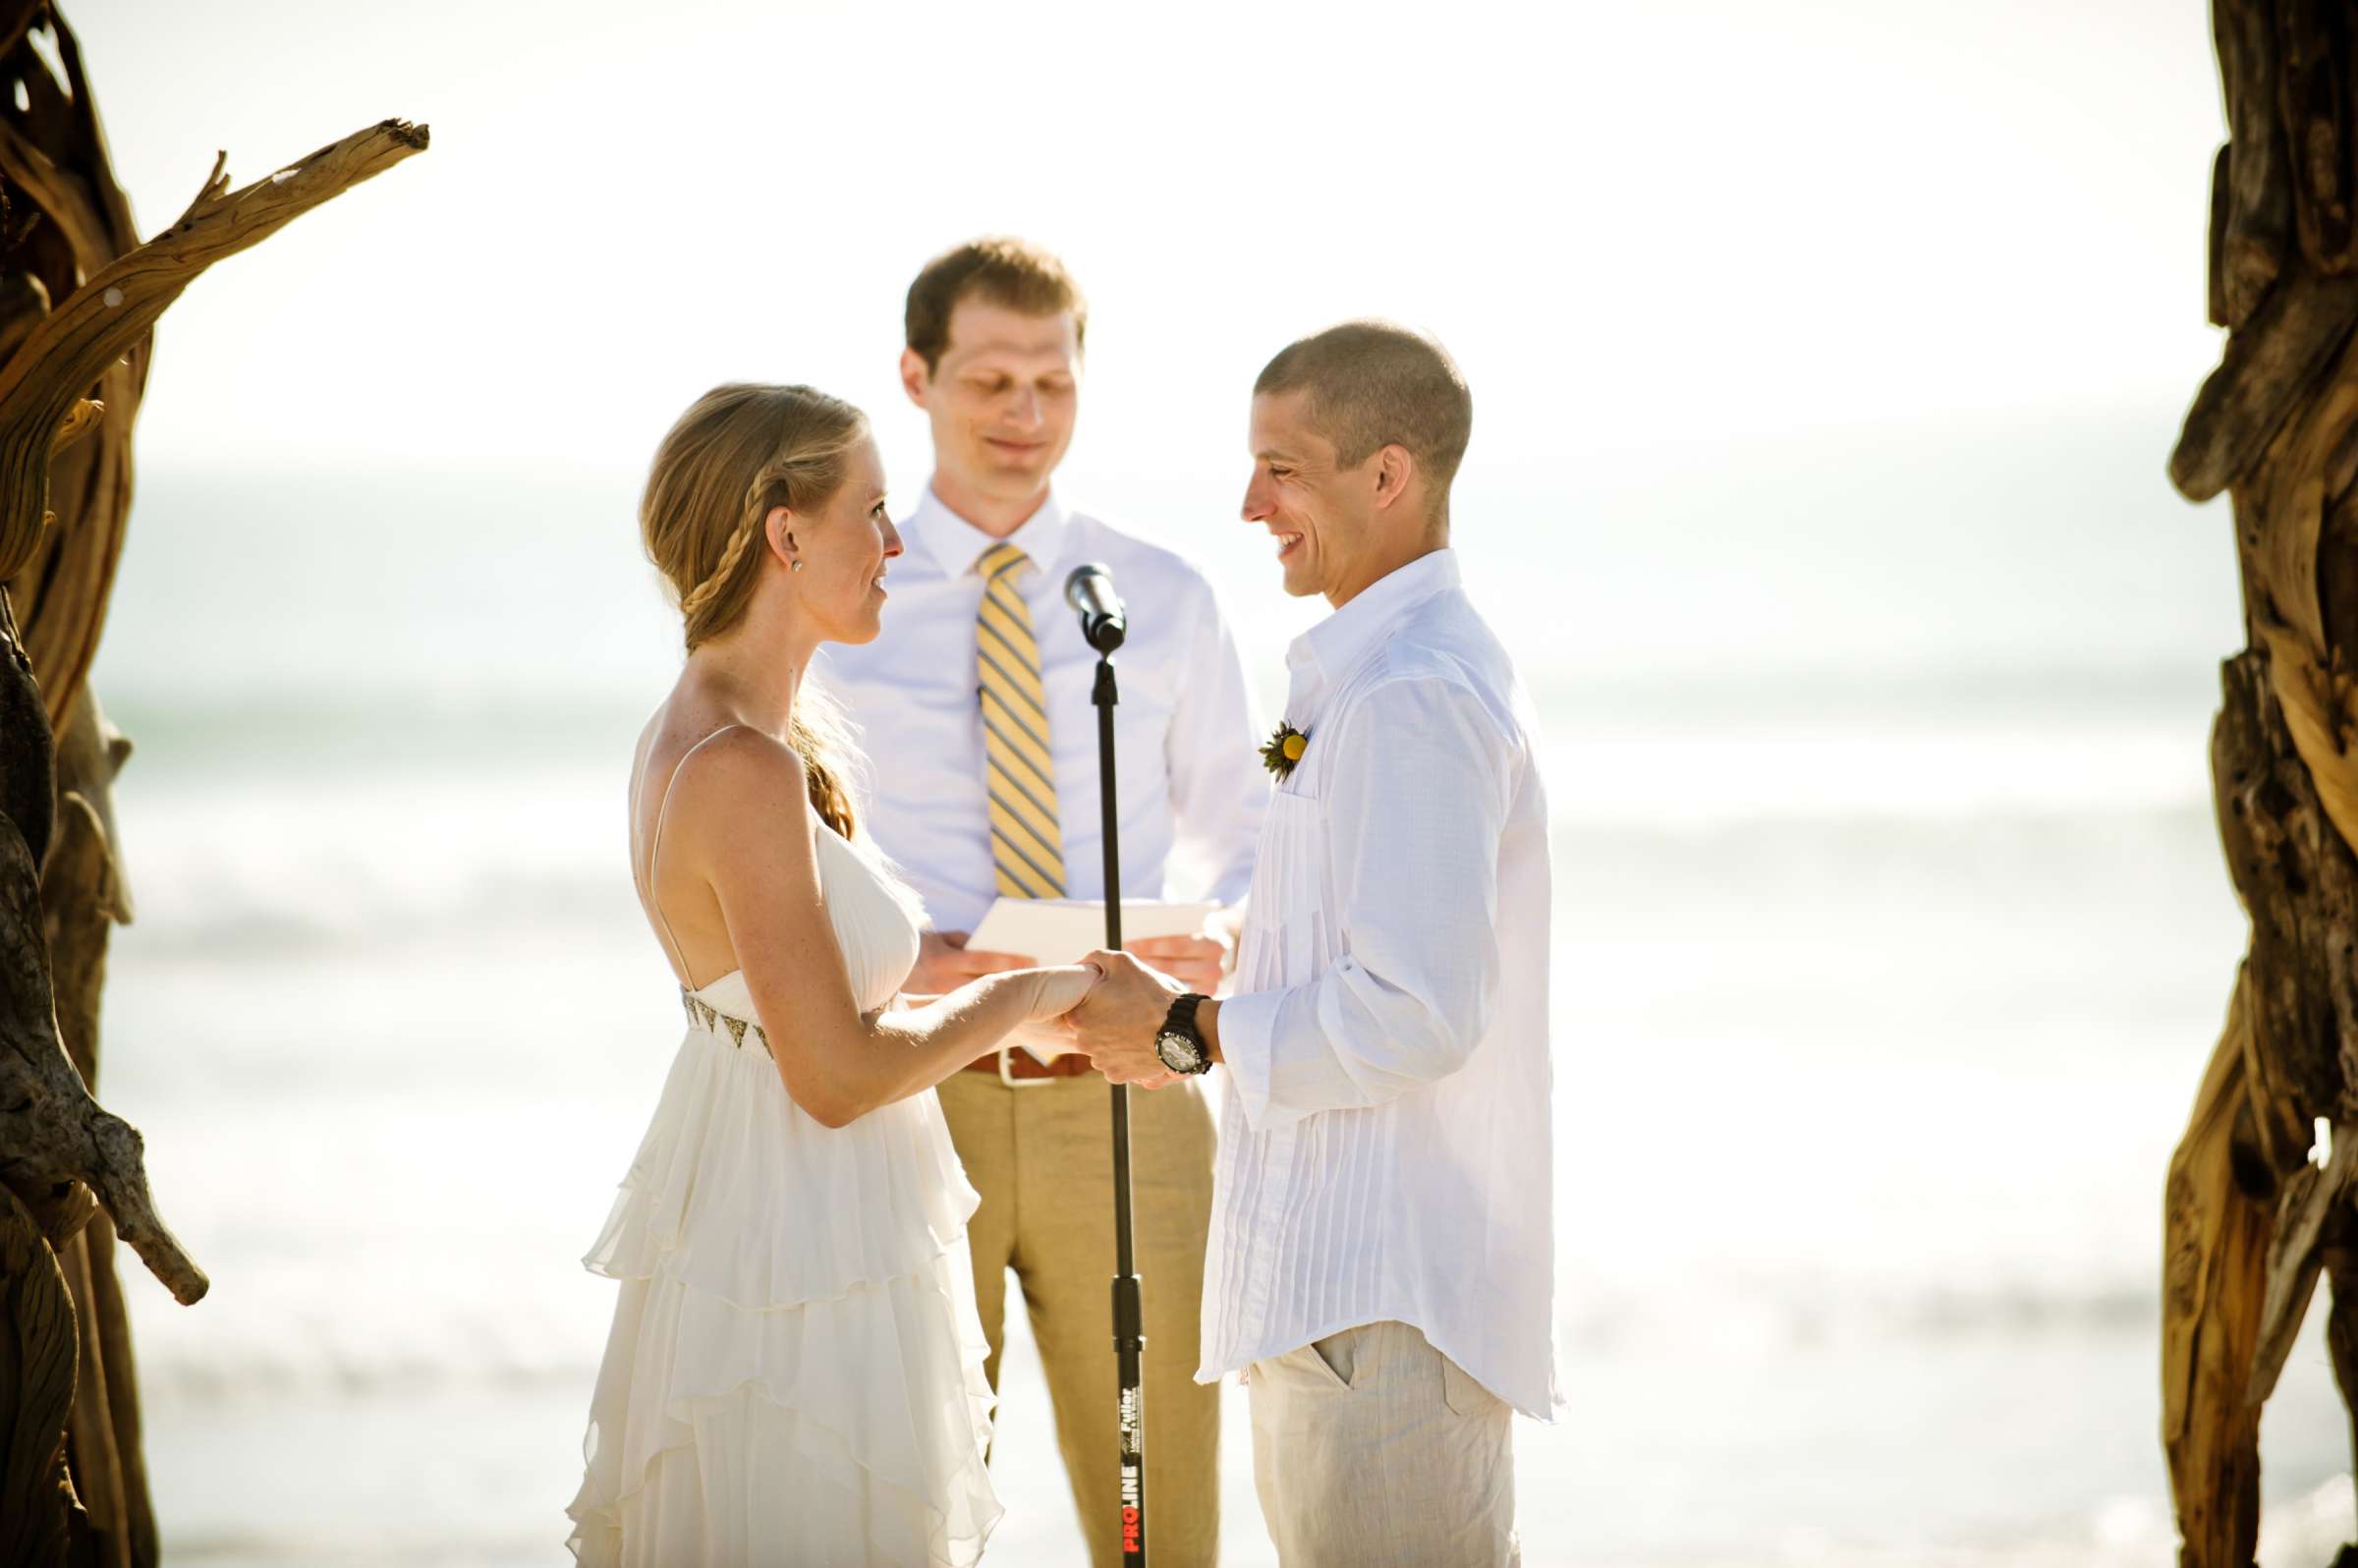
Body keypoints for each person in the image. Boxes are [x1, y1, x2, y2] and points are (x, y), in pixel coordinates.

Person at [566, 382, 1100, 1568]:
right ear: (785, 533)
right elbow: (839, 1076)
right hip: (795, 1251)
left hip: (790, 1222)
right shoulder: (737, 765)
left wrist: (1045, 1001)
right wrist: (1030, 996)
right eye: (873, 510)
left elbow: (814, 1004)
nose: (897, 542)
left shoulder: (733, 735)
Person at [1069, 322, 1559, 1567]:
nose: (1250, 503)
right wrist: (1219, 968)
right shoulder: (1365, 675)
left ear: (1387, 476)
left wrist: (1186, 1033)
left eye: (1283, 469)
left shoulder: (1412, 695)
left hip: (1381, 1315)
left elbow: (1419, 1010)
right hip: (1333, 1315)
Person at [819, 238, 1264, 1567]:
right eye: (990, 380)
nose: (1024, 416)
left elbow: (1251, 840)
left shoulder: (1166, 598)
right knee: (904, 1511)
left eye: (1052, 384)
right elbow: (791, 847)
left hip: (1130, 1099)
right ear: (917, 376)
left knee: (1159, 1521)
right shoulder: (848, 598)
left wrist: (1211, 956)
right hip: (913, 1095)